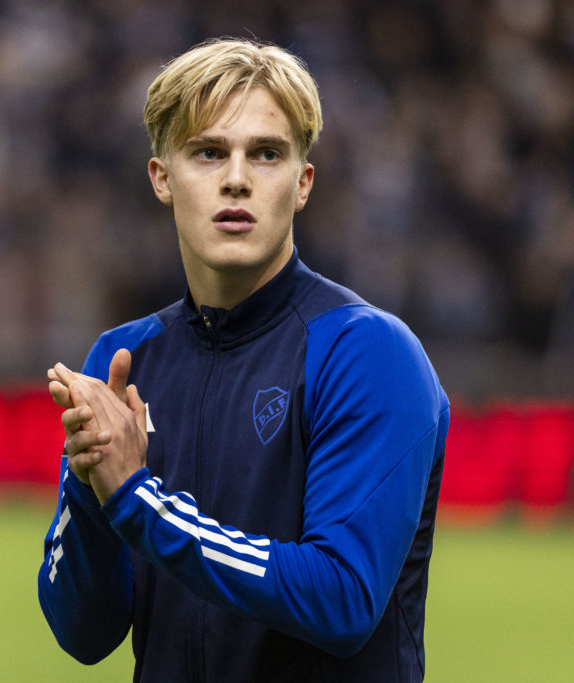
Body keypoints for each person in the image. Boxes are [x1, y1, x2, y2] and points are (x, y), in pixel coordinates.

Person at [37, 37, 449, 682]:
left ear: (302, 182)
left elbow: (340, 599)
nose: (236, 177)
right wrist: (95, 494)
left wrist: (136, 498)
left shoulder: (368, 352)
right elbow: (84, 634)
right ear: (162, 178)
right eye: (208, 152)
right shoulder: (124, 359)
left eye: (266, 153)